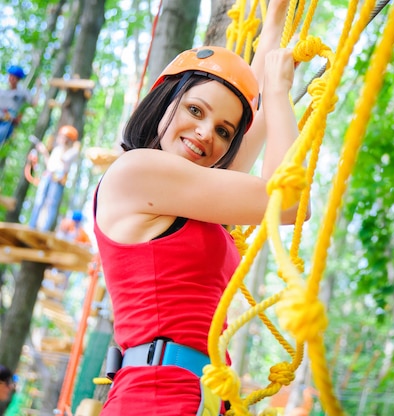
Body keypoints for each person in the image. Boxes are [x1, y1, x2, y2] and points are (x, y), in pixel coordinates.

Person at [94, 1, 300, 414]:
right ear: (165, 101)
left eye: (223, 131)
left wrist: (274, 23)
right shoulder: (139, 171)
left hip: (201, 396)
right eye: (194, 110)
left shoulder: (187, 196)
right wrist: (279, 94)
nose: (206, 133)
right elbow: (288, 202)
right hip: (154, 395)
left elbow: (249, 121)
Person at [28, 125, 81, 231]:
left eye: (63, 136)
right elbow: (50, 165)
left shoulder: (73, 151)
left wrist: (70, 146)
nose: (60, 138)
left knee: (51, 204)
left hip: (58, 179)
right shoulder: (57, 149)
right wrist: (44, 153)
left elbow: (64, 159)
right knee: (39, 200)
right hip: (48, 175)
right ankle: (31, 226)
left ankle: (44, 230)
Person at [0, 65, 34, 145]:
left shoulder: (22, 92)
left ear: (18, 79)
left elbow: (33, 103)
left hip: (7, 122)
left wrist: (39, 87)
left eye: (14, 77)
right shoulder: (2, 92)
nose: (12, 79)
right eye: (11, 76)